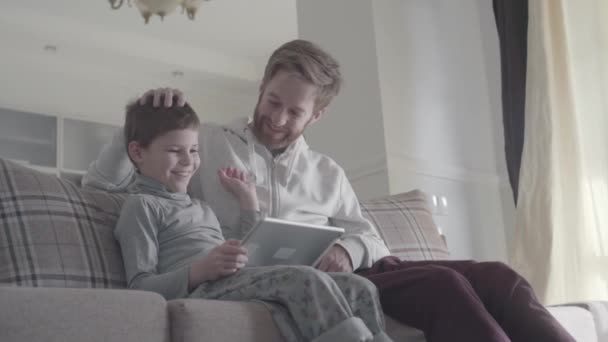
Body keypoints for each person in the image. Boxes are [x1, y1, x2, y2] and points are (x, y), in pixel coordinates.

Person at [84, 39, 574, 342]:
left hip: (363, 268)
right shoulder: (205, 143)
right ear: (261, 87)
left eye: (294, 112)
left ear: (316, 116)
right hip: (275, 278)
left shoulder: (327, 172)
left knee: (500, 278)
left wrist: (346, 245)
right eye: (272, 101)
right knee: (446, 288)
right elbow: (107, 186)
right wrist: (137, 118)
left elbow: (373, 240)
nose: (276, 118)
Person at [108, 96, 393, 342]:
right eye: (174, 151)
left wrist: (248, 202)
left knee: (358, 286)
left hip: (230, 281)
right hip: (201, 289)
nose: (188, 161)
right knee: (303, 278)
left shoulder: (200, 206)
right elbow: (140, 286)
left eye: (193, 150)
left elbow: (240, 248)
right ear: (137, 152)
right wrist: (199, 270)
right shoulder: (141, 206)